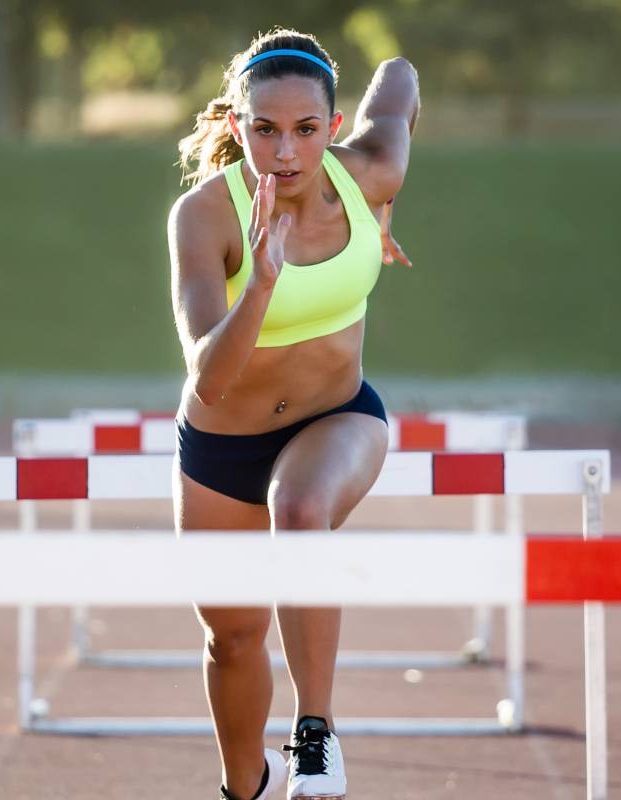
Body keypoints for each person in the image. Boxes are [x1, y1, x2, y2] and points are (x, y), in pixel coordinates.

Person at [169, 26, 418, 800]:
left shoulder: (370, 172)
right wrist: (261, 286)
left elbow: (401, 77)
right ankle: (245, 783)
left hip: (337, 417)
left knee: (301, 507)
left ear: (333, 129)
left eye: (307, 130)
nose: (285, 152)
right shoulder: (204, 218)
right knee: (232, 639)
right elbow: (209, 380)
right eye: (266, 130)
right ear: (237, 125)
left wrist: (380, 215)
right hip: (221, 446)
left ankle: (316, 736)